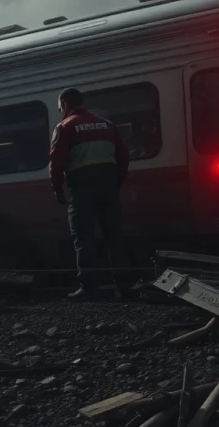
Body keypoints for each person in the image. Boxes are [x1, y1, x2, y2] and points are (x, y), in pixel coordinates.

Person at [48, 87, 130, 300]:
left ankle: (89, 287)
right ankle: (124, 286)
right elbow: (123, 157)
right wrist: (115, 183)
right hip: (109, 186)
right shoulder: (107, 125)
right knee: (114, 236)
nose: (60, 111)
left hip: (82, 187)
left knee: (83, 238)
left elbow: (56, 162)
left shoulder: (65, 127)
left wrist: (57, 189)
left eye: (60, 107)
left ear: (65, 104)